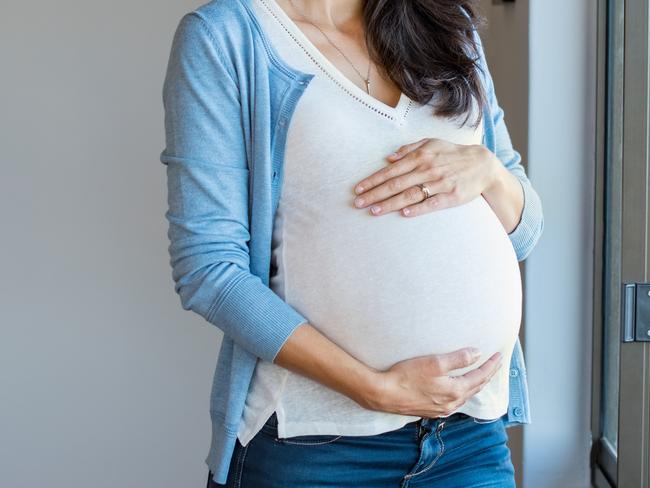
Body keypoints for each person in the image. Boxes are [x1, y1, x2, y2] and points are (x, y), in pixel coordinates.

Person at [159, 0, 544, 486]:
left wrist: (488, 171)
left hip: (468, 439)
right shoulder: (227, 35)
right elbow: (209, 269)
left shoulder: (447, 25)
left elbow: (526, 233)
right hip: (314, 449)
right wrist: (374, 389)